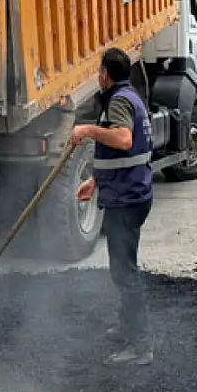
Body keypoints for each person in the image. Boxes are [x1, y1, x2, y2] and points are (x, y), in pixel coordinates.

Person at [70, 48, 155, 366]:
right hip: (129, 191)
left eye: (99, 70)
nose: (97, 75)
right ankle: (126, 327)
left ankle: (140, 345)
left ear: (106, 73)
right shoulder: (130, 96)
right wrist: (96, 181)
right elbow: (127, 154)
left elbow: (122, 139)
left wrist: (87, 130)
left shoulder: (119, 100)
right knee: (123, 268)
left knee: (125, 273)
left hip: (127, 199)